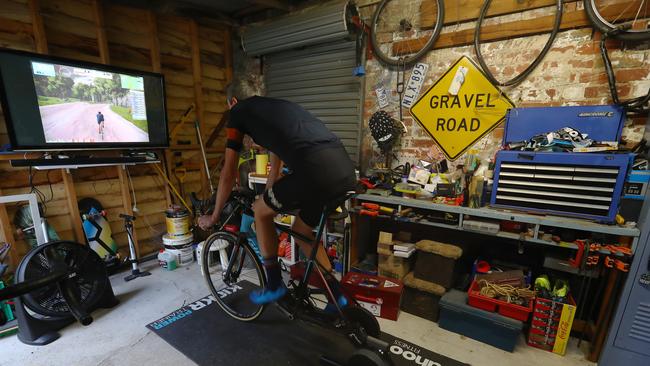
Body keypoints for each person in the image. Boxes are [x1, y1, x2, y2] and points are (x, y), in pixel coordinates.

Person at [198, 79, 356, 305]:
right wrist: (270, 191)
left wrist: (214, 216)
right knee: (301, 228)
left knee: (259, 211)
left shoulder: (238, 112)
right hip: (344, 171)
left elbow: (228, 171)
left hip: (314, 172)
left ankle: (274, 285)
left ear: (233, 101)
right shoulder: (276, 107)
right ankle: (336, 296)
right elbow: (276, 153)